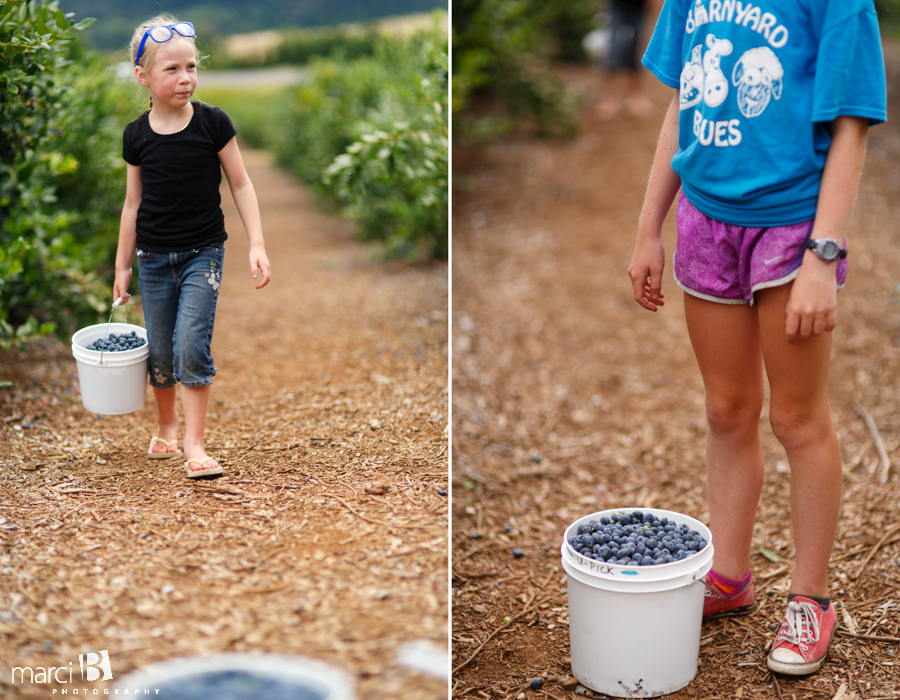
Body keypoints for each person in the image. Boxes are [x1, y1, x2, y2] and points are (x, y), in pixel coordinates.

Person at [628, 0, 885, 676]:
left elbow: (852, 126)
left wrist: (822, 256)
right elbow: (683, 102)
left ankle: (809, 598)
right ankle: (731, 574)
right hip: (707, 223)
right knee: (725, 409)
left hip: (792, 230)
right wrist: (649, 226)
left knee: (798, 419)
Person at [114, 15, 271, 478]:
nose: (186, 78)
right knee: (160, 351)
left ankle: (195, 443)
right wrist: (122, 266)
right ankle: (167, 426)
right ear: (142, 76)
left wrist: (256, 243)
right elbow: (131, 205)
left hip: (204, 252)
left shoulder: (212, 123)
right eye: (172, 70)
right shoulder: (136, 136)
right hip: (153, 260)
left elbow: (241, 185)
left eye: (191, 67)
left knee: (190, 346)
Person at [595, 0, 656, 120]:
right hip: (617, 5)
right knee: (614, 48)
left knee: (635, 48)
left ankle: (637, 97)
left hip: (638, 7)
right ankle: (610, 99)